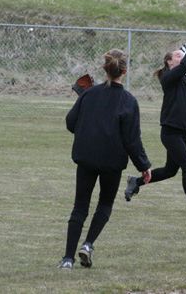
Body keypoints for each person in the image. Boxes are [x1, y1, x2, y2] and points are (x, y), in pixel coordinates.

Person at [58, 49, 151, 269]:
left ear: (104, 69)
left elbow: (71, 122)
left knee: (80, 207)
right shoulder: (129, 101)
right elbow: (132, 141)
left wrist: (88, 129)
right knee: (105, 204)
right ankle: (88, 245)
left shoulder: (89, 94)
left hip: (87, 157)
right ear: (125, 71)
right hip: (112, 162)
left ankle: (67, 259)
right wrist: (144, 166)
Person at [125, 25, 186, 215]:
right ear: (169, 62)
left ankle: (136, 181)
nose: (181, 57)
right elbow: (185, 66)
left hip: (183, 132)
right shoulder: (168, 79)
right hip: (171, 131)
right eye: (177, 55)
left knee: (170, 170)